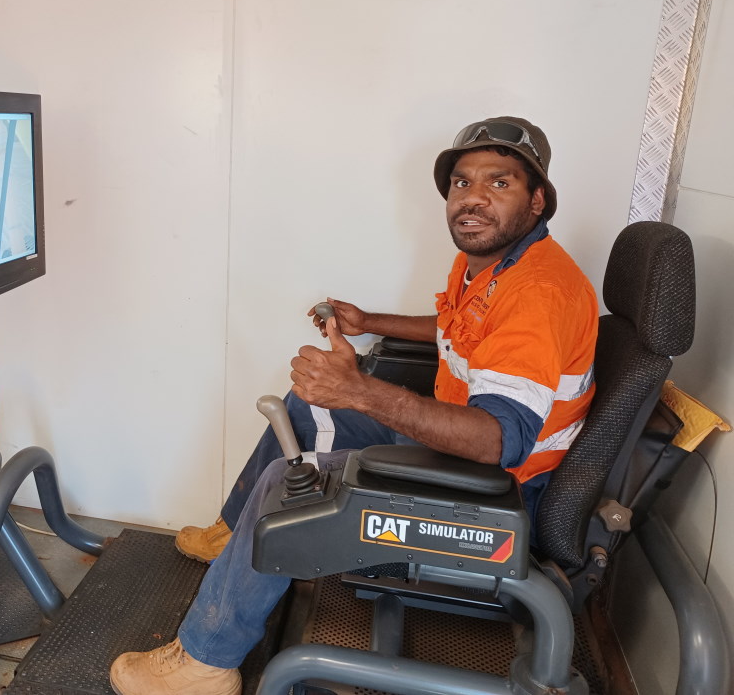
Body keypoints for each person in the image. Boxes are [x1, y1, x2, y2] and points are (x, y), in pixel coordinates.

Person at [109, 117, 599, 695]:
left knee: (292, 481)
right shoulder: (494, 263)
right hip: (462, 446)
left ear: (537, 199)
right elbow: (454, 328)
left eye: (499, 183)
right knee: (301, 407)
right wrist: (369, 322)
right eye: (463, 183)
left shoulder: (539, 292)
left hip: (499, 482)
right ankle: (236, 535)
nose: (473, 199)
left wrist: (361, 392)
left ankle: (205, 664)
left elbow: (500, 439)